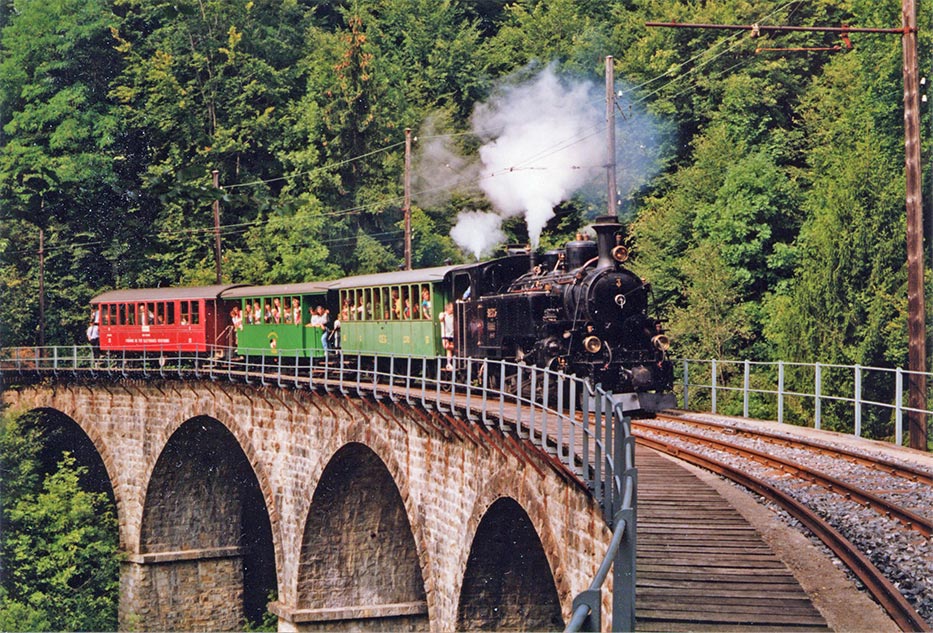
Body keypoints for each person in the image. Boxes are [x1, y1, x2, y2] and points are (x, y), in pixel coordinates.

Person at [439, 302, 454, 371]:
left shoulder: (454, 315)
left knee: (450, 349)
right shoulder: (443, 314)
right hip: (446, 335)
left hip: (453, 334)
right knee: (447, 348)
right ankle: (449, 363)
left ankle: (450, 363)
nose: (453, 308)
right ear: (448, 308)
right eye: (451, 307)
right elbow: (440, 318)